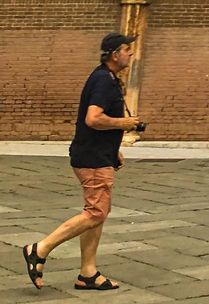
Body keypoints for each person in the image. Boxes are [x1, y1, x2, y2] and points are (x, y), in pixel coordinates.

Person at [23, 32, 142, 291]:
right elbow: (93, 118)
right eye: (126, 49)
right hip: (92, 159)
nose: (130, 53)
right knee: (96, 212)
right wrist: (125, 123)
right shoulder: (103, 81)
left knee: (97, 213)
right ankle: (39, 249)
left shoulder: (106, 78)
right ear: (114, 54)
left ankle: (88, 273)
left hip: (97, 155)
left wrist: (114, 150)